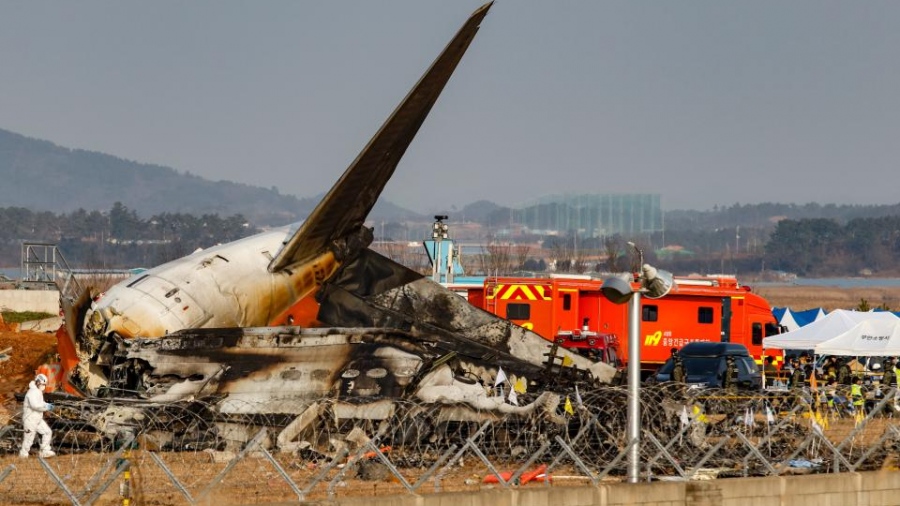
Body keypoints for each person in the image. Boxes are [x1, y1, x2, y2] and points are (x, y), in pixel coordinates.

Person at [20, 373, 55, 458]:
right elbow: (35, 406)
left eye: (45, 385)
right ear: (38, 382)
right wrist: (46, 408)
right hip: (30, 419)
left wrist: (47, 404)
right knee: (29, 440)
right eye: (43, 384)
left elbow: (40, 403)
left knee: (47, 432)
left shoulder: (38, 391)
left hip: (37, 419)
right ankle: (23, 456)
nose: (44, 386)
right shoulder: (32, 392)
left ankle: (45, 451)